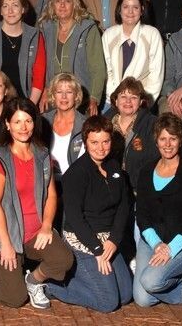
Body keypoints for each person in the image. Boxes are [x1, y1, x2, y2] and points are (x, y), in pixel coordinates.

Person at [0, 98, 74, 309]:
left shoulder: (42, 155)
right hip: (9, 235)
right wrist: (5, 245)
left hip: (35, 232)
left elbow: (51, 195)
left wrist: (46, 226)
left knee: (64, 260)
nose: (23, 127)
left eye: (28, 121)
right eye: (17, 122)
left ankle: (32, 280)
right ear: (7, 124)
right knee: (14, 299)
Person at [45, 115, 132, 312]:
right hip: (84, 240)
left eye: (105, 141)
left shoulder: (113, 166)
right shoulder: (76, 173)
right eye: (94, 142)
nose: (100, 148)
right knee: (108, 302)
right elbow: (75, 218)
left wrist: (114, 240)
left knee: (126, 295)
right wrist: (97, 250)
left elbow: (123, 206)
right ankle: (51, 285)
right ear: (85, 142)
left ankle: (86, 277)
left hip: (108, 239)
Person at [133, 113, 182, 307]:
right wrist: (157, 245)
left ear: (180, 141)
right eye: (163, 138)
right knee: (142, 299)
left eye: (172, 138)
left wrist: (169, 250)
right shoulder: (146, 171)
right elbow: (142, 215)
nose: (167, 144)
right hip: (151, 241)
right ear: (156, 141)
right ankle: (181, 284)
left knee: (150, 282)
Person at [38, 0, 106, 115]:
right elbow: (40, 65)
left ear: (74, 4)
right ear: (52, 5)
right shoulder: (45, 28)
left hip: (81, 100)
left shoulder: (87, 28)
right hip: (53, 99)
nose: (62, 5)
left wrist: (94, 98)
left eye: (67, 1)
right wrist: (45, 90)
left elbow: (98, 68)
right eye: (58, 1)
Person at [102, 0, 165, 106]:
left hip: (141, 102)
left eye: (135, 7)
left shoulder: (152, 34)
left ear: (141, 11)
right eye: (126, 7)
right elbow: (107, 72)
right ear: (119, 10)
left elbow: (156, 75)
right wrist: (116, 100)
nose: (130, 11)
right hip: (113, 101)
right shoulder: (108, 35)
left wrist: (143, 103)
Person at [106, 78, 160, 192]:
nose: (128, 101)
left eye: (134, 97)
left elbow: (154, 161)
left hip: (139, 190)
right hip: (108, 189)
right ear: (116, 100)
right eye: (123, 97)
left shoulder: (152, 125)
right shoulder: (104, 124)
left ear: (141, 102)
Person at [40, 73, 86, 176]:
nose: (64, 97)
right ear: (53, 95)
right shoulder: (42, 121)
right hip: (47, 181)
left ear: (76, 96)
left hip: (76, 183)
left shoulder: (86, 124)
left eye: (69, 92)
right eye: (59, 92)